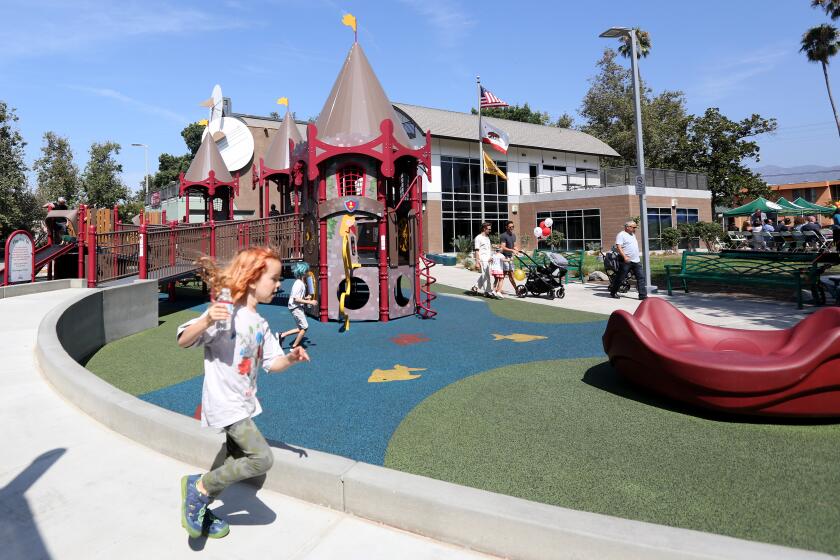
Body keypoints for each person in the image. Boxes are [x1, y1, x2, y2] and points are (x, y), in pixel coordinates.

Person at [176, 247, 310, 539]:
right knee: (262, 459)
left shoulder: (261, 323)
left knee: (230, 460)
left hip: (244, 404)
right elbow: (184, 340)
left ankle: (201, 504)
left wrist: (291, 358)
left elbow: (272, 363)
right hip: (225, 404)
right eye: (274, 279)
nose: (279, 285)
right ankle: (198, 488)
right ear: (252, 279)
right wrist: (207, 319)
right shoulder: (227, 316)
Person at [279, 262, 316, 349]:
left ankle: (282, 335)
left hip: (296, 307)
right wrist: (310, 302)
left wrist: (306, 298)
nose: (308, 272)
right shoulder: (299, 284)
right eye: (307, 271)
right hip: (295, 308)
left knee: (300, 328)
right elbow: (296, 299)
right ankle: (294, 346)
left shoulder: (300, 283)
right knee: (305, 327)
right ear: (303, 272)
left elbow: (298, 297)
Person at [609, 220, 647, 301]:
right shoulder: (621, 235)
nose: (635, 229)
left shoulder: (632, 235)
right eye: (633, 227)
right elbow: (619, 247)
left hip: (636, 260)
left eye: (635, 227)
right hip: (626, 260)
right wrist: (625, 257)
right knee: (621, 277)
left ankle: (642, 295)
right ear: (627, 227)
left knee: (641, 277)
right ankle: (613, 292)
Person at [471, 222, 493, 297]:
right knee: (486, 275)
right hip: (482, 259)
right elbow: (477, 251)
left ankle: (475, 287)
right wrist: (477, 262)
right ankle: (488, 291)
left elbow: (489, 249)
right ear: (484, 229)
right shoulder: (478, 238)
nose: (490, 230)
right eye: (489, 229)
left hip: (488, 260)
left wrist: (491, 256)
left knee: (486, 275)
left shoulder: (487, 238)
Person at [499, 220, 520, 295]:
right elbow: (502, 247)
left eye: (513, 227)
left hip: (510, 257)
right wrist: (512, 250)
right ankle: (498, 290)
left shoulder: (513, 235)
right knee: (507, 274)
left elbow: (514, 246)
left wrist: (517, 250)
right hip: (504, 257)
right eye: (510, 227)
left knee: (508, 274)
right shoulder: (503, 236)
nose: (512, 228)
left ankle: (498, 289)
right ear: (506, 227)